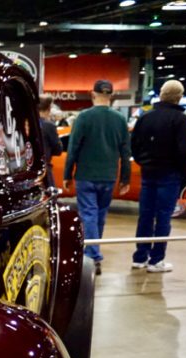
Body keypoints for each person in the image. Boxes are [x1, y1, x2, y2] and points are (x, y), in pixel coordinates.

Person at [62, 79, 131, 275]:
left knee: (89, 214)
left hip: (86, 175)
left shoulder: (83, 117)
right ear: (111, 95)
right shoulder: (120, 120)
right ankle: (94, 249)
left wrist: (67, 174)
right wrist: (125, 178)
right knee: (100, 215)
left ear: (93, 94)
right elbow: (125, 151)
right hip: (109, 176)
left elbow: (73, 147)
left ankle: (92, 256)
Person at [129, 79, 186, 274]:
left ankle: (139, 257)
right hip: (170, 174)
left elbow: (135, 145)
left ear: (161, 94)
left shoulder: (145, 118)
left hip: (148, 172)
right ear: (179, 97)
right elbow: (185, 150)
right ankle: (156, 260)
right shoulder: (181, 120)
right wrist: (183, 172)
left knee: (145, 215)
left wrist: (144, 162)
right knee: (164, 217)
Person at [38, 95, 62, 188]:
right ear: (49, 108)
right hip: (44, 171)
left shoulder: (25, 124)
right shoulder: (48, 126)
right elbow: (58, 149)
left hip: (26, 171)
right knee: (49, 197)